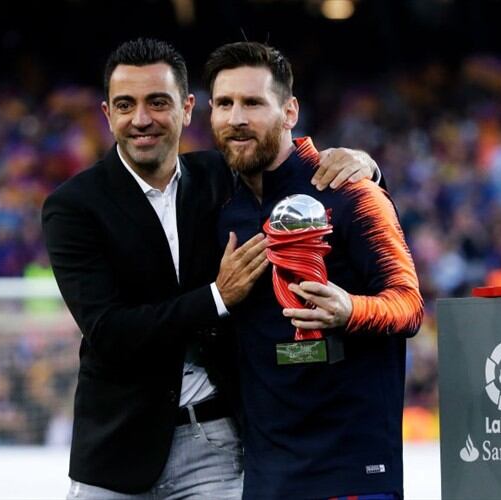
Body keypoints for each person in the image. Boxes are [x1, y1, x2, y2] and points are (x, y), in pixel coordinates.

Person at [42, 38, 381, 499]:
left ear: (186, 108)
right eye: (126, 105)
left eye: (157, 103)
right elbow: (110, 331)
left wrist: (364, 165)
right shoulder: (73, 206)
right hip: (116, 455)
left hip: (215, 446)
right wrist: (217, 298)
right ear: (107, 114)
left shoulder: (220, 177)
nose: (141, 119)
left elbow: (288, 163)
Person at [205, 41, 424, 499]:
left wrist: (351, 310)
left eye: (252, 103)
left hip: (353, 472)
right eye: (224, 104)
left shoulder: (350, 190)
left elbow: (408, 304)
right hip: (267, 479)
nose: (236, 118)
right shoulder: (220, 204)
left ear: (289, 112)